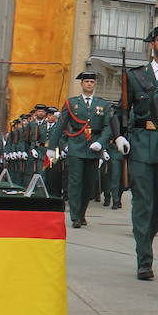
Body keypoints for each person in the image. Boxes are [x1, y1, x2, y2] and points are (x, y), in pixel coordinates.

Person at [113, 27, 158, 279]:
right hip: (142, 141)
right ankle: (144, 258)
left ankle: (146, 239)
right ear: (152, 44)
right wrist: (119, 135)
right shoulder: (136, 76)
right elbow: (120, 109)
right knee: (143, 202)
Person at [53, 72, 112, 229]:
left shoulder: (103, 105)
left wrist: (101, 143)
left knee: (88, 184)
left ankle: (82, 213)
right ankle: (75, 217)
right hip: (76, 146)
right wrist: (53, 147)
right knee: (75, 182)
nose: (89, 84)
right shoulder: (72, 103)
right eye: (86, 81)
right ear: (81, 84)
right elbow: (60, 125)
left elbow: (108, 127)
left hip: (93, 147)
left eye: (92, 82)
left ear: (94, 84)